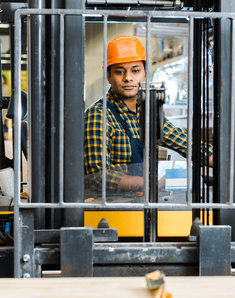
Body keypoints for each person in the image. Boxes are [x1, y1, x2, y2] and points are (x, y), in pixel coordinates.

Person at [84, 35, 213, 193]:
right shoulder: (98, 116)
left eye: (135, 70)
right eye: (119, 72)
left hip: (140, 204)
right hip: (110, 210)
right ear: (109, 76)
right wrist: (153, 183)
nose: (128, 78)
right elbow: (98, 176)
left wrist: (224, 163)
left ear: (145, 73)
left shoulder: (146, 112)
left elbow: (184, 142)